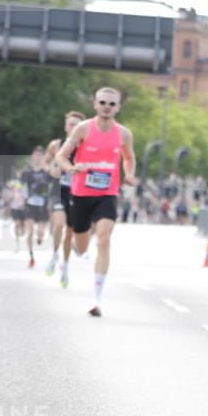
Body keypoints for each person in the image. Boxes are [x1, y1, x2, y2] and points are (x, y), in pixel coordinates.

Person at [55, 87, 137, 316]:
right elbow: (61, 156)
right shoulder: (83, 129)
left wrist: (129, 174)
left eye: (112, 104)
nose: (107, 107)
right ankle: (78, 245)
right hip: (81, 194)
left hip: (107, 193)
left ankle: (97, 298)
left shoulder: (123, 134)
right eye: (103, 102)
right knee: (81, 248)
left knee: (104, 239)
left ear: (118, 107)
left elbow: (129, 158)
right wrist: (72, 168)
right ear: (95, 104)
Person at [44, 111, 85, 287]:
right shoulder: (56, 145)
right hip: (59, 189)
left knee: (69, 234)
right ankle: (54, 254)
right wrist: (50, 169)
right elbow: (45, 162)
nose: (74, 127)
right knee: (59, 224)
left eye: (77, 124)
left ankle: (65, 267)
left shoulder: (86, 145)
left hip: (76, 191)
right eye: (71, 124)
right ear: (65, 126)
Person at [20, 147, 51, 268]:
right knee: (29, 232)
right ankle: (31, 256)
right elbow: (21, 187)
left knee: (41, 232)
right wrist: (21, 198)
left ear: (43, 157)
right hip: (30, 204)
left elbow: (52, 187)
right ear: (32, 157)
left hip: (43, 204)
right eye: (35, 155)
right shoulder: (26, 172)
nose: (37, 157)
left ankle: (40, 237)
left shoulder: (46, 172)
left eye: (40, 155)